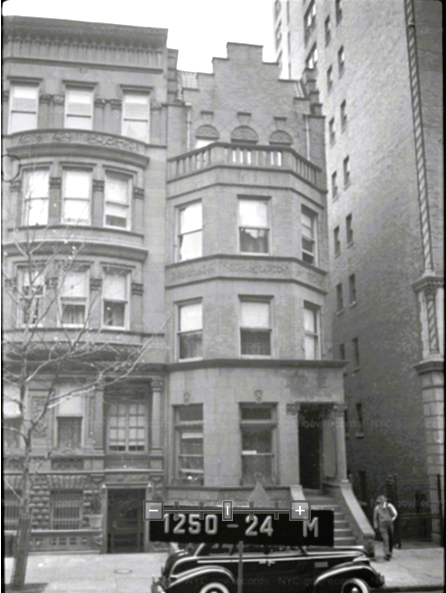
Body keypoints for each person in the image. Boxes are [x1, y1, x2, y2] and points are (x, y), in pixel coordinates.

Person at [373, 494, 398, 560]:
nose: (382, 500)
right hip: (382, 524)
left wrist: (392, 520)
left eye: (383, 499)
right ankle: (387, 553)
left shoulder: (389, 506)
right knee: (385, 538)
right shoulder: (377, 508)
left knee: (390, 538)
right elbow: (375, 518)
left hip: (389, 524)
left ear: (385, 499)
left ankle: (390, 552)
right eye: (380, 499)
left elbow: (395, 513)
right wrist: (376, 526)